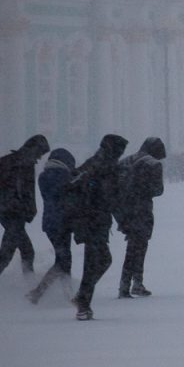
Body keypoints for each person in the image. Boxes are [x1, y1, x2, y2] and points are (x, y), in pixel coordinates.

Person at [68, 134, 128, 320]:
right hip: (95, 220)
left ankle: (82, 298)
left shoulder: (93, 162)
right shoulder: (106, 167)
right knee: (95, 261)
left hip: (87, 219)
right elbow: (111, 197)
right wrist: (123, 221)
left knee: (101, 260)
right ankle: (83, 305)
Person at [0, 134, 50, 289]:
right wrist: (22, 206)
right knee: (11, 254)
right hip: (13, 214)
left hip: (9, 212)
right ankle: (29, 290)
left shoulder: (12, 161)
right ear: (33, 149)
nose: (39, 158)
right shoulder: (22, 164)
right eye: (40, 153)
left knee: (22, 252)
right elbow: (23, 191)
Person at [115, 137, 166, 299]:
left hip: (123, 209)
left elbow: (114, 185)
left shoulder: (125, 161)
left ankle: (127, 284)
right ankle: (134, 283)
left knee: (132, 245)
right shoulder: (153, 164)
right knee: (139, 246)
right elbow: (157, 190)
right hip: (141, 210)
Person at [27, 148, 76, 304]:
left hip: (50, 223)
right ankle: (39, 292)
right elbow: (69, 196)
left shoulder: (43, 176)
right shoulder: (63, 176)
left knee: (63, 258)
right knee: (63, 260)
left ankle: (66, 293)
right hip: (62, 223)